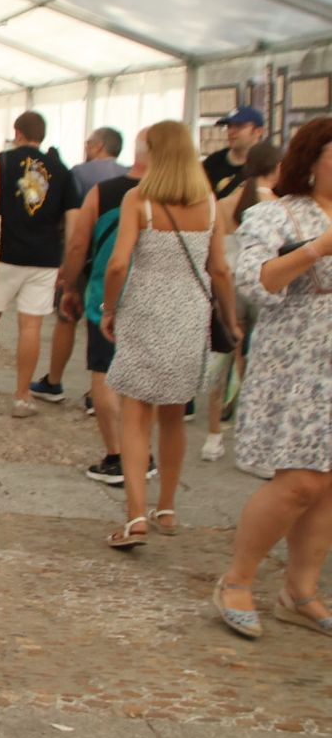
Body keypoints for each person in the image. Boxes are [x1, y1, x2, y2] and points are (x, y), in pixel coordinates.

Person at [213, 116, 332, 638]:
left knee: (328, 487)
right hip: (300, 366)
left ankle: (300, 591)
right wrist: (318, 248)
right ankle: (236, 580)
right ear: (313, 159)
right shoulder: (275, 215)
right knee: (300, 481)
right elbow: (256, 283)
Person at [102, 121, 239, 549]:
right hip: (189, 315)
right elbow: (219, 269)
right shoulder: (209, 203)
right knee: (174, 416)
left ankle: (135, 516)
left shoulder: (138, 199)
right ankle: (167, 508)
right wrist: (231, 319)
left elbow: (119, 263)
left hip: (143, 312)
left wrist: (109, 308)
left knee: (136, 416)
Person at [0, 111, 79, 418]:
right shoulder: (62, 171)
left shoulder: (0, 162)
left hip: (2, 254)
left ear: (18, 132)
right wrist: (68, 260)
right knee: (31, 326)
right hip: (45, 258)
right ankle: (22, 396)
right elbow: (73, 221)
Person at [56, 129, 149, 485]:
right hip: (157, 299)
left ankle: (117, 454)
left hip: (109, 293)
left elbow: (79, 243)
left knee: (104, 370)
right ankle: (144, 451)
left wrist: (69, 283)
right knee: (142, 379)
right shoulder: (182, 196)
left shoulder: (105, 191)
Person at [33, 127, 126, 402]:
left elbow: (73, 221)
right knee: (110, 324)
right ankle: (101, 389)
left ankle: (54, 380)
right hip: (118, 259)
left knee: (67, 317)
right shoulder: (129, 174)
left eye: (88, 143)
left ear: (98, 146)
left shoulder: (80, 173)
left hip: (86, 256)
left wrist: (69, 274)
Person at [205, 142, 282, 463]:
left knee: (222, 360)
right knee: (260, 362)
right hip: (267, 289)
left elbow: (217, 257)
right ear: (277, 170)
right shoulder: (281, 207)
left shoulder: (224, 204)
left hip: (232, 287)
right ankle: (255, 437)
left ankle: (213, 436)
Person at [203, 106, 266, 200]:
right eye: (229, 126)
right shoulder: (213, 162)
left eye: (239, 126)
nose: (231, 132)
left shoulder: (269, 163)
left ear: (258, 131)